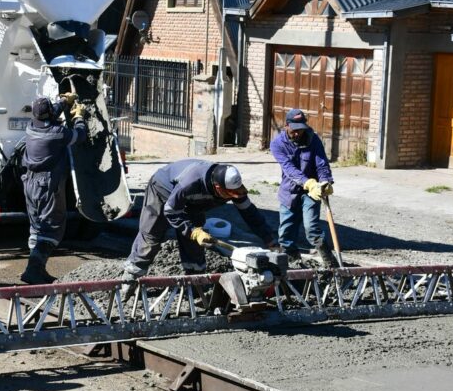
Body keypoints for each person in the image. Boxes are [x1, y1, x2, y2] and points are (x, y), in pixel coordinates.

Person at [122, 159, 277, 279]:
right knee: (152, 234)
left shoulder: (232, 188)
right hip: (163, 189)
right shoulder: (190, 183)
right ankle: (131, 276)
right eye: (230, 194)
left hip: (193, 203)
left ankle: (196, 280)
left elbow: (250, 213)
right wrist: (193, 231)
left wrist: (269, 239)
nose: (233, 197)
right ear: (218, 188)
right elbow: (171, 210)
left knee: (195, 242)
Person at [20, 93, 87, 284]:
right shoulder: (58, 133)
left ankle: (33, 268)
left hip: (30, 184)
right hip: (47, 185)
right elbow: (79, 136)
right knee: (51, 228)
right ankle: (34, 270)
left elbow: (50, 114)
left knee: (36, 227)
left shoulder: (31, 126)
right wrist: (79, 116)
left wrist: (64, 102)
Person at [270, 108, 335, 265]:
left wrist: (325, 182)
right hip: (290, 191)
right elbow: (289, 169)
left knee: (312, 229)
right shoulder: (277, 144)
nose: (298, 133)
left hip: (312, 193)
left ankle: (330, 263)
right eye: (295, 130)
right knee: (286, 234)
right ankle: (293, 263)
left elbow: (321, 164)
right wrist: (308, 182)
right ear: (286, 126)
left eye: (301, 130)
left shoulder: (313, 140)